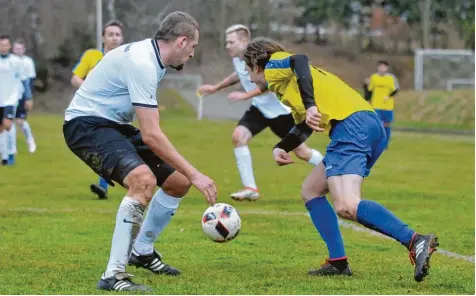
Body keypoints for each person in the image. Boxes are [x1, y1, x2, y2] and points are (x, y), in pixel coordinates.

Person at [243, 37, 438, 282]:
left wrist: (312, 105)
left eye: (248, 71)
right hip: (363, 124)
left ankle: (416, 240)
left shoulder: (274, 65)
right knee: (311, 190)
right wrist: (281, 146)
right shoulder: (287, 87)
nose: (249, 78)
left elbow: (299, 59)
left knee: (346, 204)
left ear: (256, 64)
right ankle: (338, 262)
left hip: (351, 125)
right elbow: (305, 126)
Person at [63, 12, 217, 292]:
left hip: (115, 125)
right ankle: (113, 275)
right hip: (85, 126)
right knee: (143, 181)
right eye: (193, 47)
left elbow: (150, 127)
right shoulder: (143, 63)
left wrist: (187, 175)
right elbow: (152, 135)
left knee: (177, 183)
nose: (192, 54)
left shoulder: (152, 59)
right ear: (181, 41)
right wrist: (196, 174)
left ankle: (142, 251)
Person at [197, 24, 323, 201]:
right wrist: (215, 87)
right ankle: (250, 188)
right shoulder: (237, 58)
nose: (227, 46)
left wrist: (246, 95)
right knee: (238, 137)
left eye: (231, 42)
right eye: (227, 42)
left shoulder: (260, 58)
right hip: (260, 109)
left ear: (244, 41)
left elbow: (269, 84)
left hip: (281, 112)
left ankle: (332, 169)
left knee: (302, 153)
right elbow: (238, 75)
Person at [71, 20, 124, 199]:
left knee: (111, 146)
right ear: (103, 37)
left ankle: (108, 183)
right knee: (102, 146)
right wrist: (89, 88)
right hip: (92, 110)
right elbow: (76, 78)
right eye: (111, 34)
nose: (114, 38)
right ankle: (105, 184)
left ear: (122, 38)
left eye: (117, 35)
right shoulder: (92, 55)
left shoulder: (126, 58)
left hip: (116, 110)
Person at [0, 35, 32, 166]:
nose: (3, 47)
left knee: (8, 124)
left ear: (9, 46)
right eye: (1, 45)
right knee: (1, 128)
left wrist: (28, 97)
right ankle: (5, 156)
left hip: (11, 98)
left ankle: (11, 153)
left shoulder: (16, 62)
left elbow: (25, 80)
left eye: (5, 44)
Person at [8, 39, 37, 160]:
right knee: (8, 122)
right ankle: (11, 149)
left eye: (20, 48)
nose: (18, 50)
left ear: (24, 50)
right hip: (7, 95)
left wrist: (28, 97)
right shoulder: (8, 60)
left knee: (20, 121)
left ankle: (30, 141)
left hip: (21, 95)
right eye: (16, 48)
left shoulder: (28, 62)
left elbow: (29, 82)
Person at [368, 61, 399, 148]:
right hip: (376, 104)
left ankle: (385, 143)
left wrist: (388, 96)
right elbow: (370, 90)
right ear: (378, 67)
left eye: (384, 67)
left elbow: (396, 90)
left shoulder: (391, 78)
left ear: (386, 68)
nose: (382, 68)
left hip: (387, 106)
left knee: (386, 124)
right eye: (380, 67)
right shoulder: (374, 77)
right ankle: (375, 143)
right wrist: (368, 100)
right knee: (377, 124)